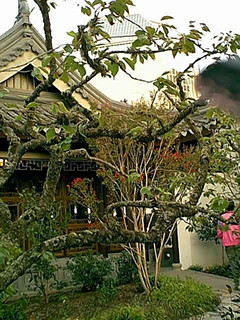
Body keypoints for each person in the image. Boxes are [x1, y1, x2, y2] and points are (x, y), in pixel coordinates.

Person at [217, 201, 240, 290]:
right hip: (238, 242)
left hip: (228, 243)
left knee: (233, 263)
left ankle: (237, 284)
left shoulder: (221, 218)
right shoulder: (237, 216)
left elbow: (219, 233)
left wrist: (225, 235)